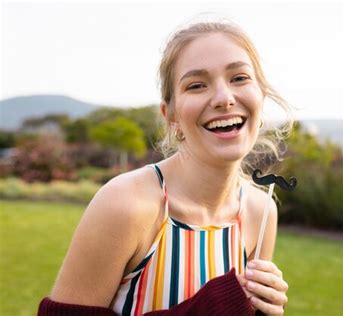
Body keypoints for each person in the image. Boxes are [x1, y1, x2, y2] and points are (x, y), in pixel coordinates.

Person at [42, 20, 292, 315]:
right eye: (196, 85)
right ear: (171, 116)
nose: (225, 99)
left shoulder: (260, 212)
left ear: (261, 96)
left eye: (239, 78)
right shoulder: (125, 204)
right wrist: (212, 307)